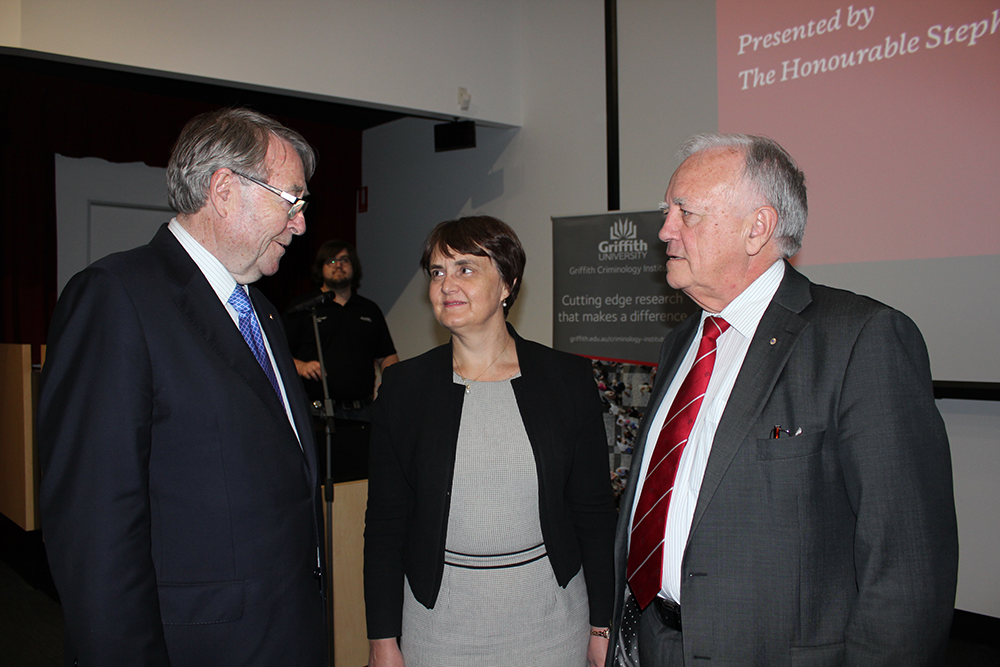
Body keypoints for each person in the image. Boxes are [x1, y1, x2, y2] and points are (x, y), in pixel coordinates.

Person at [608, 134, 959, 666]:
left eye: (686, 213)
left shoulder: (860, 339)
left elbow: (907, 562)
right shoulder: (682, 342)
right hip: (656, 640)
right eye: (667, 212)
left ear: (758, 228)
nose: (665, 230)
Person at [38, 108, 327, 666]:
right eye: (292, 200)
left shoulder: (263, 313)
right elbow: (94, 532)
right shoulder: (115, 298)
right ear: (224, 190)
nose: (300, 225)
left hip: (285, 634)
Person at [364, 215, 617, 667]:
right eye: (437, 272)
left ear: (507, 283)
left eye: (465, 268)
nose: (446, 284)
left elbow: (594, 513)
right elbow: (385, 524)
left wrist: (602, 625)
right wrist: (382, 640)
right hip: (438, 629)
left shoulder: (566, 378)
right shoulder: (403, 388)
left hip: (551, 625)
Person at [284, 240, 398, 421]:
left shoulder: (369, 309)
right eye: (331, 261)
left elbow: (386, 357)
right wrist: (301, 366)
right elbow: (278, 354)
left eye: (345, 260)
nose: (338, 265)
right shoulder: (304, 308)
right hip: (315, 413)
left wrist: (391, 385)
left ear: (354, 267)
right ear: (320, 268)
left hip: (364, 412)